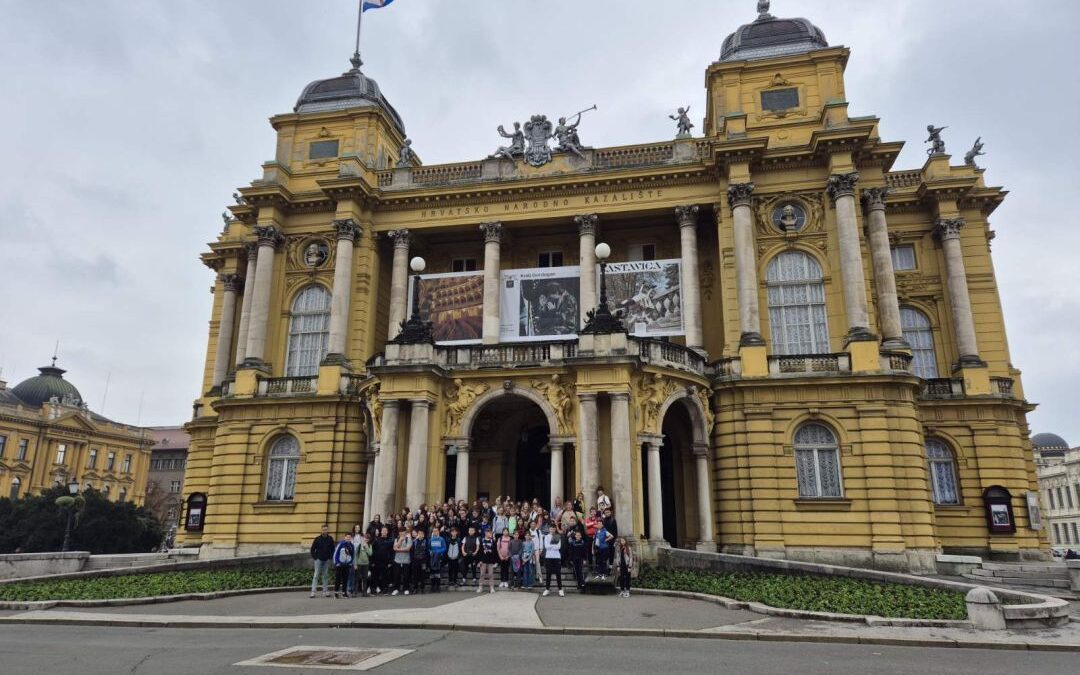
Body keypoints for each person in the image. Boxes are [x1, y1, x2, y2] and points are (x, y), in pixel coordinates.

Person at [309, 525, 335, 598]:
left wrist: (330, 556)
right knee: (316, 575)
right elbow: (312, 549)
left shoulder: (330, 539)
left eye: (326, 530)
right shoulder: (317, 539)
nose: (324, 531)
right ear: (321, 530)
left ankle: (325, 591)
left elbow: (333, 548)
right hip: (318, 560)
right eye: (323, 530)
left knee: (325, 576)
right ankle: (313, 592)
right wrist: (315, 557)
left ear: (327, 530)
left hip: (326, 560)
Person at [332, 533, 355, 598]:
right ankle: (336, 593)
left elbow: (352, 555)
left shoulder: (351, 546)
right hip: (339, 564)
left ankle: (344, 593)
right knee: (338, 579)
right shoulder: (341, 544)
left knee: (345, 579)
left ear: (351, 538)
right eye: (347, 537)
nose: (348, 538)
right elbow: (335, 553)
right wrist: (336, 563)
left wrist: (351, 562)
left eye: (349, 537)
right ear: (345, 537)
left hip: (347, 565)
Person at [542, 529, 564, 597]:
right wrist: (553, 545)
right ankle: (547, 589)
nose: (552, 530)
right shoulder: (546, 536)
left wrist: (551, 545)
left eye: (553, 529)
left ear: (555, 530)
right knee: (548, 573)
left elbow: (558, 547)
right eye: (551, 529)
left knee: (558, 573)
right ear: (549, 529)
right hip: (548, 557)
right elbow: (546, 547)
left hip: (557, 557)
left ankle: (560, 589)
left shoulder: (557, 536)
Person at [392, 529, 413, 596]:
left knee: (406, 576)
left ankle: (406, 589)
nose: (402, 533)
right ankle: (396, 589)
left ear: (405, 532)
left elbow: (408, 549)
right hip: (397, 560)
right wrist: (400, 540)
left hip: (406, 560)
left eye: (403, 532)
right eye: (400, 532)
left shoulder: (408, 539)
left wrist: (398, 549)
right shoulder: (397, 539)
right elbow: (394, 548)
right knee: (396, 575)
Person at [478, 529, 498, 593]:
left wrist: (494, 561)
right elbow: (480, 551)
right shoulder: (482, 540)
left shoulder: (493, 541)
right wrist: (480, 560)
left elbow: (495, 551)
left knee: (491, 574)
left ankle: (491, 587)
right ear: (486, 533)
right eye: (489, 533)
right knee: (482, 574)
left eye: (491, 533)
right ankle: (480, 586)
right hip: (483, 560)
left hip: (490, 561)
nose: (490, 534)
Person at [410, 528, 429, 594]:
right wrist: (412, 559)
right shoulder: (414, 541)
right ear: (417, 535)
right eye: (419, 534)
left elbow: (427, 552)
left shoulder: (426, 541)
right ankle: (415, 588)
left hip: (423, 561)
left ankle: (422, 588)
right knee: (415, 575)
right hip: (415, 561)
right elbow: (411, 551)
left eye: (421, 534)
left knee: (422, 575)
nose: (420, 535)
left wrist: (426, 560)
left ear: (423, 535)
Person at [354, 532, 373, 597]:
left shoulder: (369, 545)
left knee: (365, 578)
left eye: (367, 539)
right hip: (359, 564)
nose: (366, 539)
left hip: (366, 564)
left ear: (369, 540)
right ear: (363, 538)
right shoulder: (359, 545)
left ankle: (364, 592)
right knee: (357, 578)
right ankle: (355, 592)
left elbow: (370, 553)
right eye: (365, 538)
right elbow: (356, 555)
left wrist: (366, 547)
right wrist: (355, 564)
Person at [429, 526, 446, 592]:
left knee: (438, 573)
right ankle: (432, 587)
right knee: (432, 573)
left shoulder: (441, 539)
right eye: (434, 531)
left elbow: (444, 548)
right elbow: (429, 548)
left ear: (438, 531)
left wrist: (438, 552)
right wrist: (430, 552)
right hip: (432, 558)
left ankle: (438, 587)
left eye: (436, 531)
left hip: (439, 558)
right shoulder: (431, 539)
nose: (435, 532)